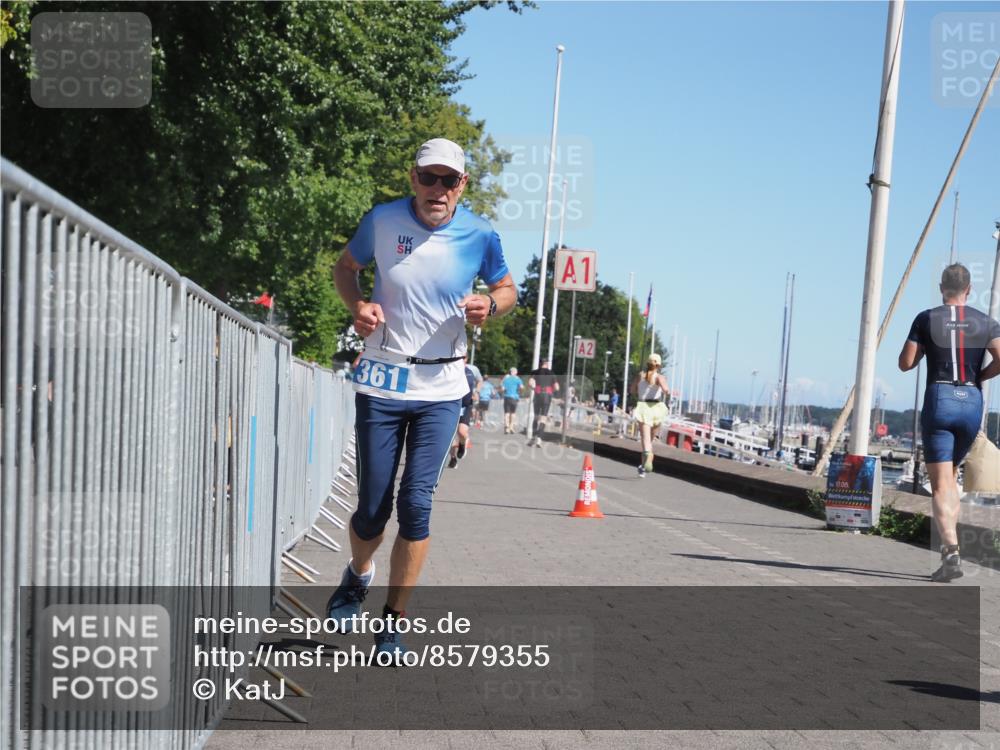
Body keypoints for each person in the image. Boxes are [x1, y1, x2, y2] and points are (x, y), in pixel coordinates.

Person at [327, 137, 516, 659]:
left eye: (448, 180)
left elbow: (507, 289)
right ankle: (358, 573)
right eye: (428, 177)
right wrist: (357, 306)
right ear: (413, 178)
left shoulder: (480, 233)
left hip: (442, 387)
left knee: (416, 505)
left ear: (462, 185)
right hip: (383, 380)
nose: (438, 189)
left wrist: (490, 306)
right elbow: (345, 268)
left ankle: (393, 622)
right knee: (373, 508)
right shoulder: (382, 220)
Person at [899, 263, 1000, 582]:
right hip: (971, 400)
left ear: (942, 288)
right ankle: (950, 550)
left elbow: (905, 363)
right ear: (969, 290)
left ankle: (951, 553)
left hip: (940, 397)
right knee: (951, 477)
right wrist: (979, 376)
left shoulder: (926, 318)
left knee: (941, 485)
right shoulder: (987, 322)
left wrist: (924, 348)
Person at [631, 353, 670, 477]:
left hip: (643, 407)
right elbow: (666, 390)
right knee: (651, 439)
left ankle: (646, 461)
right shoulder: (660, 377)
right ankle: (644, 465)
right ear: (659, 365)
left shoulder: (640, 376)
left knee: (645, 439)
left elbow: (632, 390)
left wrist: (639, 387)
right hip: (657, 408)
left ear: (647, 364)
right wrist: (664, 388)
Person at [448, 357, 480, 468]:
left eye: (464, 357)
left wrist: (476, 392)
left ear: (466, 359)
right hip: (451, 404)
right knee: (450, 435)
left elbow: (480, 381)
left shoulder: (472, 370)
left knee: (461, 432)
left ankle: (462, 444)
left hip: (466, 405)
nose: (462, 359)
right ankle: (453, 458)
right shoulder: (449, 368)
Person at [528, 358, 559, 446]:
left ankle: (533, 437)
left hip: (537, 394)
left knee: (536, 417)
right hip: (547, 396)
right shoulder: (551, 373)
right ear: (546, 364)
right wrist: (551, 391)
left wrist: (534, 388)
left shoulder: (534, 372)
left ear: (540, 364)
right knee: (543, 418)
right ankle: (539, 439)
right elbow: (557, 388)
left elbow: (530, 383)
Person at [501, 367, 523, 434]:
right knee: (513, 413)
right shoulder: (518, 379)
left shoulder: (506, 379)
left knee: (506, 413)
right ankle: (511, 427)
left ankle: (507, 428)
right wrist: (519, 392)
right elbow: (522, 387)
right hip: (514, 398)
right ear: (516, 372)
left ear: (510, 372)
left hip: (507, 397)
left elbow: (502, 389)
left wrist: (505, 391)